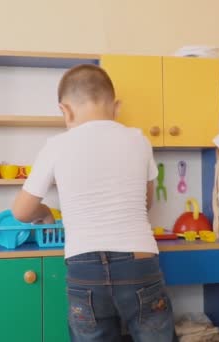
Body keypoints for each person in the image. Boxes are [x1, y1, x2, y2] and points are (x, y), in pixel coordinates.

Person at [12, 64, 175, 342]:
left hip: (84, 267)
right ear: (117, 106)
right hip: (139, 263)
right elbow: (146, 202)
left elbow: (21, 212)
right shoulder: (139, 140)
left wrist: (47, 211)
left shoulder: (56, 145)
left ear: (65, 110)